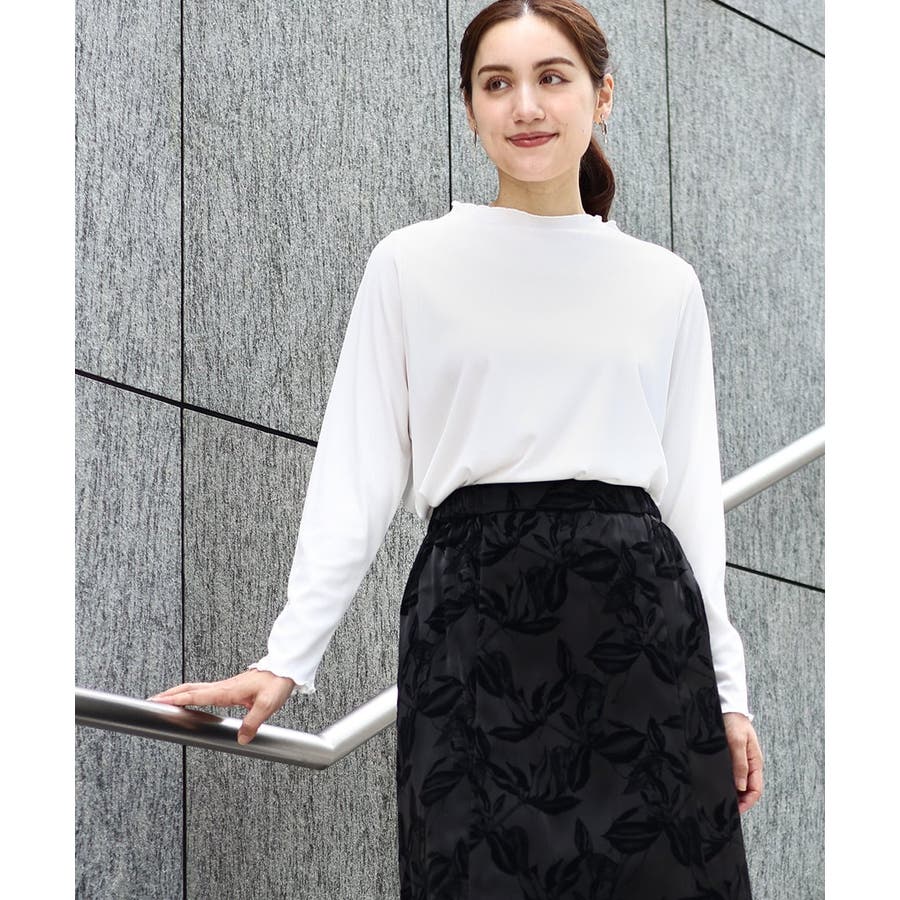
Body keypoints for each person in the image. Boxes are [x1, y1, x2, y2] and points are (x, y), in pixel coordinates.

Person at [151, 0, 764, 895]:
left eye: (552, 78)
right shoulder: (411, 264)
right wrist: (287, 657)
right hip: (475, 620)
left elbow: (693, 506)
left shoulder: (666, 284)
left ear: (602, 96)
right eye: (497, 83)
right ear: (470, 107)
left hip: (641, 633)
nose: (526, 106)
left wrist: (729, 693)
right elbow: (356, 470)